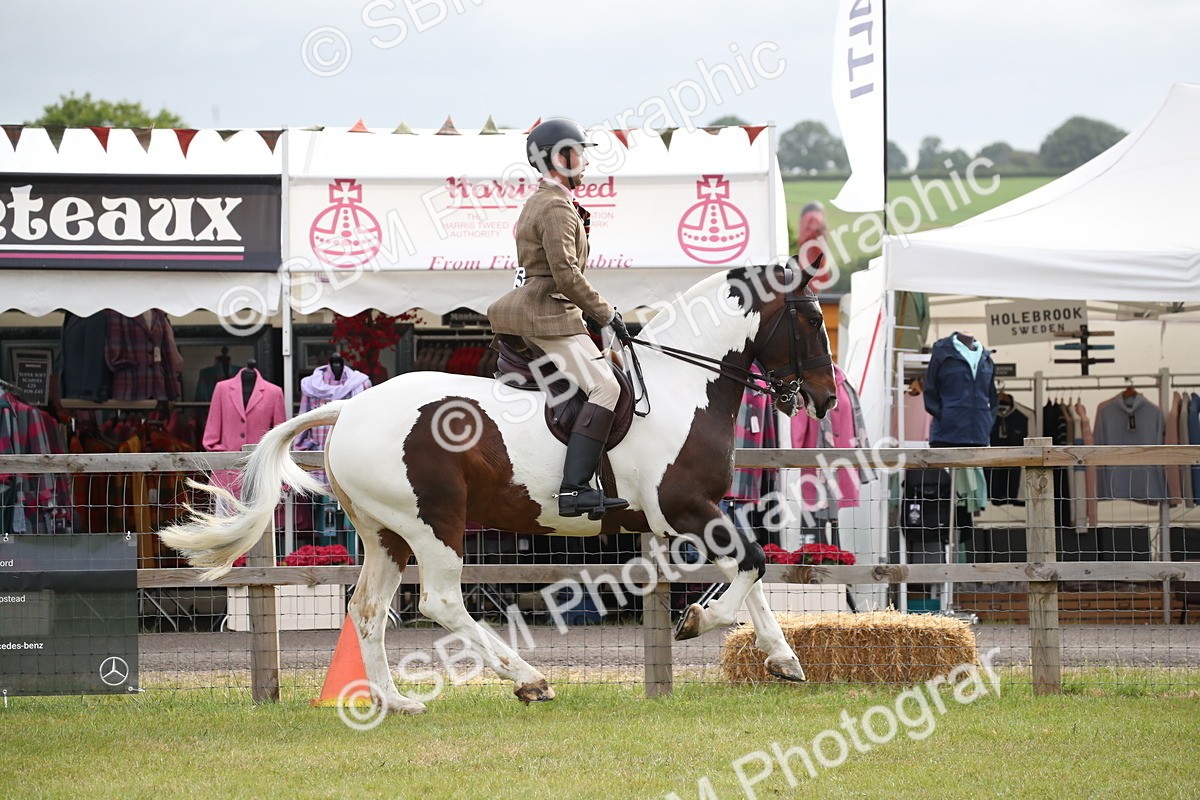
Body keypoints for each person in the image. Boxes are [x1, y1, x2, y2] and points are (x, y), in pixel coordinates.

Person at [487, 117, 631, 519]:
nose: (585, 163)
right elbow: (567, 275)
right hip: (545, 314)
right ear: (561, 157)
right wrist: (608, 314)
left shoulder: (546, 201)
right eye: (580, 154)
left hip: (549, 309)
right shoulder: (554, 206)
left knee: (609, 374)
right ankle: (573, 489)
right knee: (607, 388)